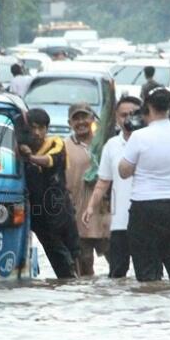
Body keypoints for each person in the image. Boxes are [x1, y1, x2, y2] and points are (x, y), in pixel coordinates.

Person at [119, 87, 170, 282]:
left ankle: (152, 311)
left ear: (148, 107)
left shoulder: (139, 137)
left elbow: (123, 171)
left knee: (147, 273)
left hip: (145, 209)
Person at [83, 96, 142, 278]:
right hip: (120, 221)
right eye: (124, 114)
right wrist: (91, 207)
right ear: (116, 117)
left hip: (146, 220)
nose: (128, 119)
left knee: (146, 274)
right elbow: (103, 181)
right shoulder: (112, 145)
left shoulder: (148, 142)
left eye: (133, 114)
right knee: (117, 274)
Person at [19, 108, 80, 279]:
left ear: (46, 129)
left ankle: (78, 287)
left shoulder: (55, 143)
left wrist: (29, 157)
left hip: (59, 209)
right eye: (33, 128)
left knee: (74, 253)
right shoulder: (18, 146)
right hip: (37, 212)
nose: (37, 133)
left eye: (41, 128)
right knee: (56, 254)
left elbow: (49, 161)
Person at [64, 102, 111, 276]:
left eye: (85, 117)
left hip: (106, 215)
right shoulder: (64, 147)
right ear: (69, 123)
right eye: (76, 118)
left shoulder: (106, 143)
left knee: (118, 266)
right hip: (78, 218)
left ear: (93, 119)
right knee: (84, 271)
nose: (81, 122)